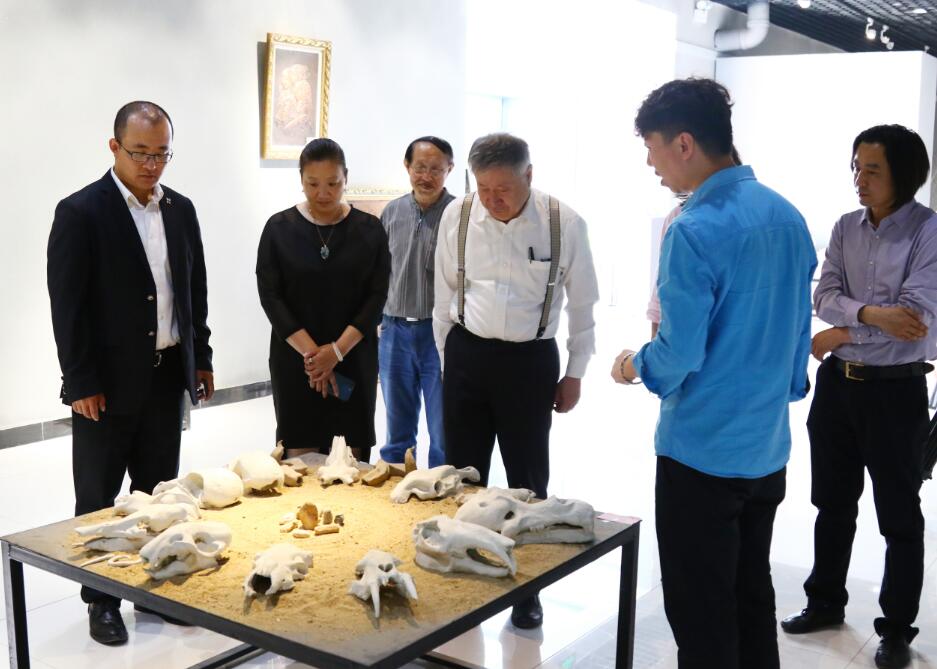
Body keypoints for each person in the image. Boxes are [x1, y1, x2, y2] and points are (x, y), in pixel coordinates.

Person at [612, 78, 816, 669]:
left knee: (701, 612)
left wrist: (633, 365)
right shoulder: (788, 216)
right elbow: (798, 332)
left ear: (683, 143)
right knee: (751, 593)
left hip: (702, 454)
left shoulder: (693, 228)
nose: (651, 165)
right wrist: (784, 390)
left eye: (651, 148)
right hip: (766, 449)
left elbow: (678, 354)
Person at [47, 101, 214, 645]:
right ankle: (100, 599)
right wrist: (79, 381)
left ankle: (153, 588)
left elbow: (193, 291)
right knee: (99, 497)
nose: (151, 165)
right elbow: (68, 307)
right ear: (114, 147)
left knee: (159, 491)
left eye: (162, 154)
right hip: (106, 385)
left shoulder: (181, 209)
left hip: (166, 377)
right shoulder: (80, 212)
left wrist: (201, 356)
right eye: (140, 153)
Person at [781, 124, 937, 669]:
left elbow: (915, 319)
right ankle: (825, 601)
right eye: (856, 167)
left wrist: (843, 331)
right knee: (831, 503)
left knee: (899, 516)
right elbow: (823, 296)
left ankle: (896, 629)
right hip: (838, 389)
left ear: (903, 174)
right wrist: (870, 315)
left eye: (872, 169)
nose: (859, 179)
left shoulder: (928, 231)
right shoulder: (845, 227)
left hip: (896, 392)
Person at [433, 132, 599, 629]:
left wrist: (575, 373)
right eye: (483, 188)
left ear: (529, 175)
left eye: (502, 189)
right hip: (467, 353)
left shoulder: (563, 223)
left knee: (528, 481)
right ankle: (462, 580)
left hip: (530, 362)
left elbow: (584, 305)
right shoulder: (459, 215)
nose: (492, 199)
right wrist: (448, 362)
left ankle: (528, 589)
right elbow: (444, 294)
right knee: (462, 475)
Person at [256, 138, 390, 463]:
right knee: (299, 458)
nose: (323, 193)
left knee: (352, 464)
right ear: (301, 180)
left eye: (333, 183)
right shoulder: (278, 229)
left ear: (346, 178)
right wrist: (316, 358)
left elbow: (376, 297)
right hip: (297, 361)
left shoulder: (370, 229)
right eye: (313, 184)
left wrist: (337, 352)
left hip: (353, 358)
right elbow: (271, 297)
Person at [378, 136, 455, 468]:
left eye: (436, 169)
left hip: (440, 334)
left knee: (444, 429)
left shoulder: (459, 214)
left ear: (449, 170)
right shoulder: (392, 212)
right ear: (407, 166)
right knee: (397, 431)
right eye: (420, 167)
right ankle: (394, 485)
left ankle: (441, 488)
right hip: (394, 331)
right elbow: (378, 271)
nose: (427, 176)